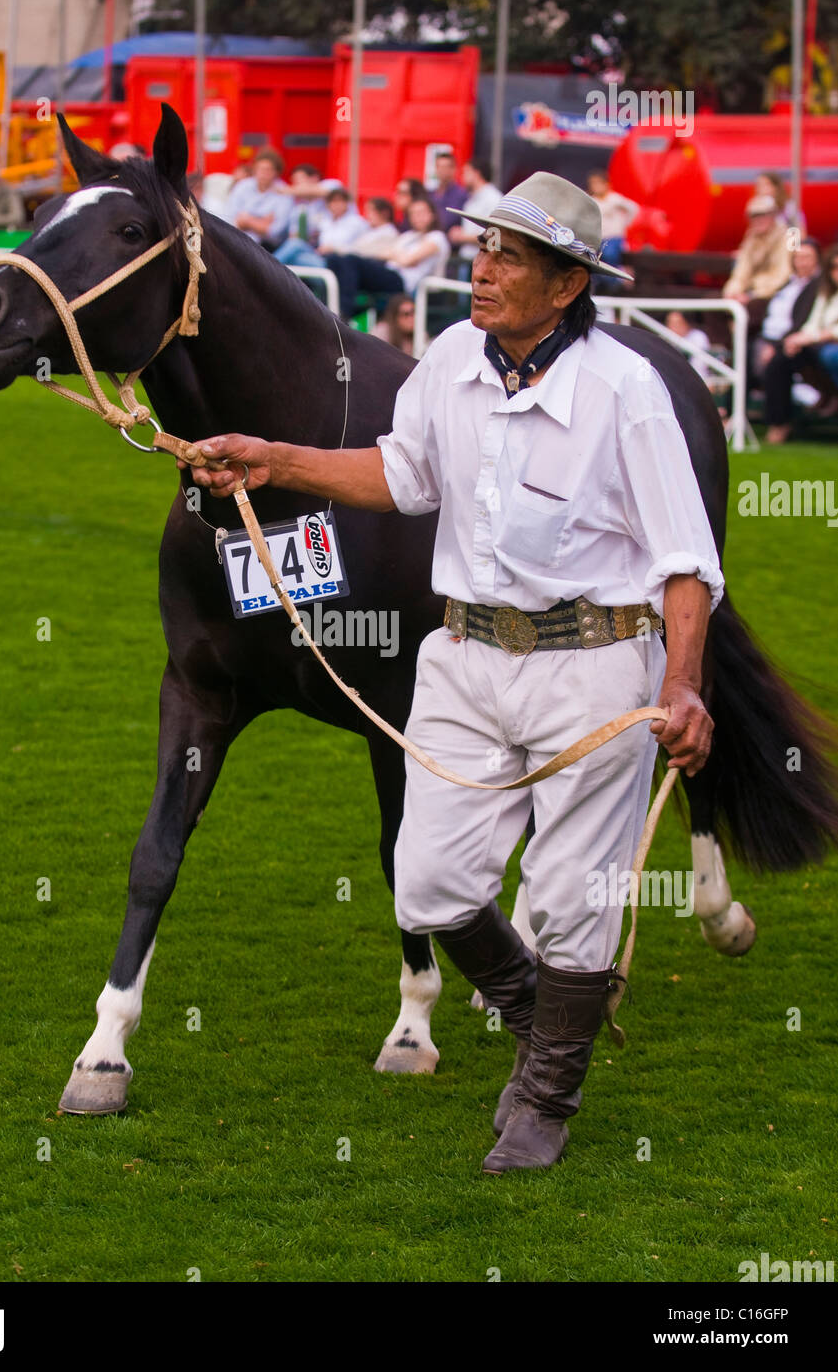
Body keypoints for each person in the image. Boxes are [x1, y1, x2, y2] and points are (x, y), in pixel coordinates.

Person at [187, 172, 722, 1174]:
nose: (481, 267)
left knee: (570, 897)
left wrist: (681, 683)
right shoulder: (448, 360)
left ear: (567, 285)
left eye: (509, 255)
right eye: (481, 247)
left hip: (596, 664)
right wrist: (272, 459)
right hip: (463, 658)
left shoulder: (624, 390)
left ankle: (547, 1096)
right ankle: (547, 1025)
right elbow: (401, 472)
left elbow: (684, 561)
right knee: (426, 885)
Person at [325, 195, 449, 320]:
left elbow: (406, 260)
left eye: (421, 213)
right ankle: (327, 308)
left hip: (402, 282)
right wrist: (399, 256)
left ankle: (342, 315)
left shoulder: (437, 237)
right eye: (413, 213)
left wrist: (397, 255)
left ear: (432, 214)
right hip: (388, 272)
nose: (417, 217)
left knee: (350, 261)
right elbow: (387, 254)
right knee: (335, 260)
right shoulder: (408, 235)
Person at [763, 244, 838, 442]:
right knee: (782, 359)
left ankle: (830, 398)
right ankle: (779, 423)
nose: (837, 273)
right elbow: (813, 322)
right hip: (819, 349)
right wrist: (796, 339)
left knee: (831, 355)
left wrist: (811, 337)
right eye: (834, 267)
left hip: (829, 351)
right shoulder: (825, 292)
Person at [752, 240, 821, 382]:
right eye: (798, 257)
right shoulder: (789, 282)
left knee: (777, 362)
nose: (801, 263)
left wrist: (777, 346)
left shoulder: (817, 286)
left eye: (807, 257)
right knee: (743, 352)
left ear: (817, 260)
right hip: (768, 337)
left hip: (790, 340)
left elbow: (802, 320)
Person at [722, 194, 792, 329]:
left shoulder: (790, 235)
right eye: (754, 216)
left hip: (774, 293)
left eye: (763, 214)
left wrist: (751, 295)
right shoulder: (751, 237)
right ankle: (721, 349)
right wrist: (732, 292)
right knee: (715, 305)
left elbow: (784, 274)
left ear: (773, 215)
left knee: (752, 310)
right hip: (748, 293)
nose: (758, 220)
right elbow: (741, 271)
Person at [273, 187, 368, 267]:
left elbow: (362, 248)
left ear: (347, 204)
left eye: (340, 201)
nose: (337, 205)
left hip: (337, 262)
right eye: (333, 202)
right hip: (319, 257)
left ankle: (267, 268)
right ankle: (269, 268)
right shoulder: (325, 222)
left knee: (294, 257)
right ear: (328, 205)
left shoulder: (357, 222)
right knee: (295, 244)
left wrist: (335, 248)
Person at [224, 148, 294, 251]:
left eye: (268, 170)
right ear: (254, 169)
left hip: (269, 248)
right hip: (239, 242)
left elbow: (275, 231)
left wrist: (247, 219)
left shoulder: (283, 192)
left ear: (276, 172)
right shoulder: (242, 186)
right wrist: (262, 222)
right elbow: (230, 220)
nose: (263, 174)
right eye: (260, 169)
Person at [448, 157, 503, 278]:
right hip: (468, 261)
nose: (462, 176)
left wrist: (462, 236)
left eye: (466, 172)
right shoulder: (471, 199)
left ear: (476, 173)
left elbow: (494, 237)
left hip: (481, 263)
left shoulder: (493, 199)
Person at [586, 169, 638, 291]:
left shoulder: (615, 199)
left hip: (614, 237)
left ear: (606, 184)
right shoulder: (592, 201)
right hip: (599, 238)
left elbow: (633, 209)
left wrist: (625, 224)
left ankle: (617, 281)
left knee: (610, 256)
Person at [429, 149, 467, 234]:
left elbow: (449, 220)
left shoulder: (460, 195)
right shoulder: (430, 193)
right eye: (439, 167)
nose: (442, 170)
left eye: (446, 167)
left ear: (453, 169)